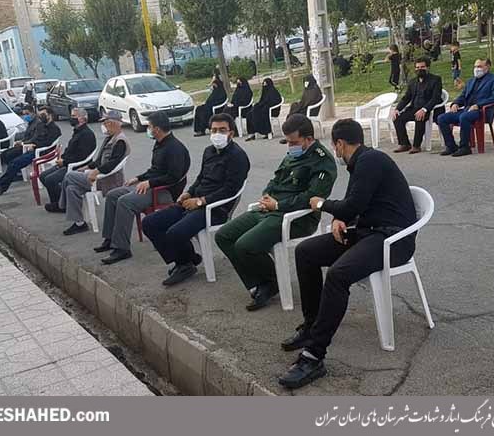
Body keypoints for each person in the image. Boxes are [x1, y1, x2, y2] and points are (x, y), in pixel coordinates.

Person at [277, 119, 417, 389]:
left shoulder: (370, 161)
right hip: (369, 232)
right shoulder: (361, 162)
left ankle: (313, 356)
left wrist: (321, 204)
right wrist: (340, 219)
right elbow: (357, 205)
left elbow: (353, 204)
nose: (335, 150)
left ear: (339, 144)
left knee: (338, 275)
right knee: (306, 252)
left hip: (392, 240)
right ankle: (311, 326)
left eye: (335, 146)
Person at [216, 114, 337, 311]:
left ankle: (271, 282)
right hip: (270, 209)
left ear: (308, 139)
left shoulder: (323, 162)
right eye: (287, 142)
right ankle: (263, 281)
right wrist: (267, 195)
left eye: (294, 142)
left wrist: (278, 205)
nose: (290, 146)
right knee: (224, 236)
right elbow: (276, 179)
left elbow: (311, 198)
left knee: (244, 245)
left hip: (297, 218)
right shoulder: (293, 153)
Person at [142, 113, 250, 286]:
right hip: (194, 202)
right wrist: (189, 193)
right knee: (150, 222)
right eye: (214, 130)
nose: (217, 134)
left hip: (215, 209)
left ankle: (185, 264)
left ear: (231, 133)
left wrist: (201, 201)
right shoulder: (209, 151)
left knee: (175, 232)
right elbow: (201, 178)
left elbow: (231, 190)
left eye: (222, 130)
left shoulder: (238, 156)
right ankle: (187, 260)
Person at [94, 112, 190, 265]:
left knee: (125, 202)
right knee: (113, 195)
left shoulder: (175, 148)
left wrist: (150, 183)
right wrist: (139, 178)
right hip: (151, 186)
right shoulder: (160, 144)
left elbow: (174, 176)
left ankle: (122, 248)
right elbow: (155, 170)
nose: (148, 129)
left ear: (157, 129)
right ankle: (110, 238)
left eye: (149, 126)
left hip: (164, 191)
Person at [59, 110, 130, 235]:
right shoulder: (109, 138)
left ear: (113, 123)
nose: (103, 126)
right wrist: (85, 167)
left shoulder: (120, 141)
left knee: (69, 175)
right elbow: (98, 161)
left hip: (106, 179)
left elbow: (112, 164)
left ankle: (61, 206)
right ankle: (80, 224)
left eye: (105, 123)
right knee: (71, 188)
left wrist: (95, 171)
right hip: (97, 175)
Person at [0, 106, 61, 195]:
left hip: (43, 152)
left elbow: (48, 143)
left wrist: (35, 145)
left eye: (43, 115)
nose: (41, 117)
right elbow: (35, 138)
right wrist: (26, 143)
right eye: (40, 115)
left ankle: (1, 185)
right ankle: (1, 185)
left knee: (15, 163)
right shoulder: (41, 125)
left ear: (50, 115)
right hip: (34, 149)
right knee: (13, 162)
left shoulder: (54, 128)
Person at [437, 58, 494, 157]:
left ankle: (465, 147)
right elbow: (463, 96)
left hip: (482, 111)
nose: (476, 69)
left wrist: (478, 105)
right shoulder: (471, 81)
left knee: (464, 117)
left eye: (479, 66)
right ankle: (451, 146)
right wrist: (455, 103)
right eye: (475, 66)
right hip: (467, 109)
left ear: (487, 67)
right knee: (442, 118)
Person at [42, 108, 97, 212]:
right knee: (43, 176)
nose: (71, 118)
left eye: (73, 116)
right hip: (68, 162)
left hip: (76, 166)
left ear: (82, 118)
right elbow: (70, 150)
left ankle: (62, 206)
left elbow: (82, 156)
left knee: (50, 179)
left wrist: (65, 162)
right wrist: (62, 158)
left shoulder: (86, 134)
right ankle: (60, 201)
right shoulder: (77, 131)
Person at [390, 57, 444, 154]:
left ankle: (416, 146)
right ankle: (404, 144)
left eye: (422, 67)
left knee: (419, 117)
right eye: (417, 67)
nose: (420, 69)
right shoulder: (412, 82)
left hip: (429, 109)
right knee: (397, 118)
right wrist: (397, 109)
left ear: (428, 67)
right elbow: (406, 97)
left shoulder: (436, 80)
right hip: (414, 108)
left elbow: (435, 98)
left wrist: (424, 109)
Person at [281, 75, 324, 145]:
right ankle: (289, 136)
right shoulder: (307, 89)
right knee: (293, 108)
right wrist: (300, 105)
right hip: (304, 108)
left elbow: (311, 101)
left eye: (307, 81)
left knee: (294, 117)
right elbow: (304, 100)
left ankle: (291, 136)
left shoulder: (315, 89)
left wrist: (302, 105)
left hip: (310, 110)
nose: (305, 83)